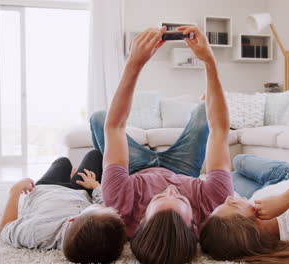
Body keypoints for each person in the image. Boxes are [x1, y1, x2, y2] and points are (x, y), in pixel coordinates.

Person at [94, 25, 233, 264]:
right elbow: (220, 129)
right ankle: (202, 100)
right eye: (180, 199)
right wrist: (210, 61)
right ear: (195, 225)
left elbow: (114, 126)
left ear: (139, 221)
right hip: (183, 169)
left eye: (157, 199)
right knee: (203, 111)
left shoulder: (119, 203)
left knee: (98, 118)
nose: (169, 189)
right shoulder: (214, 203)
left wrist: (134, 64)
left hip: (134, 171)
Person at [200, 154, 289, 264]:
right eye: (233, 205)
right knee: (239, 161)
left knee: (232, 175)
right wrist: (283, 201)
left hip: (259, 193)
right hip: (287, 176)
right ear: (257, 223)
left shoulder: (253, 222)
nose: (228, 198)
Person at [0, 150, 127, 264]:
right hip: (80, 190)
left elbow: (5, 228)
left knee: (62, 162)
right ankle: (73, 179)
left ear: (72, 219)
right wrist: (96, 186)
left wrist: (15, 190)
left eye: (96, 206)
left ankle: (68, 176)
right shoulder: (104, 229)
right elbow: (105, 205)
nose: (101, 204)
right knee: (95, 154)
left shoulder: (37, 232)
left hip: (47, 189)